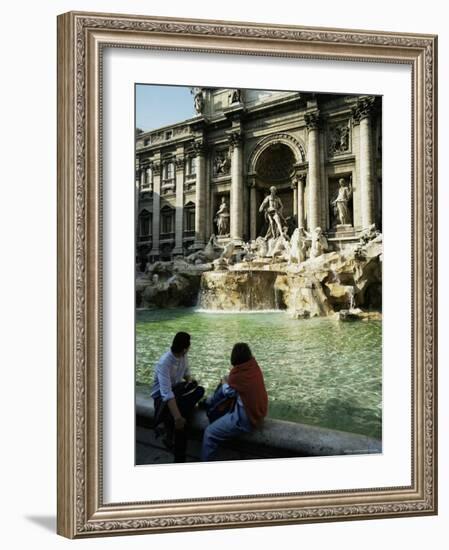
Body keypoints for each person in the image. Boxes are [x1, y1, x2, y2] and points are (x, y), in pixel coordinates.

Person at [201, 343, 268, 462]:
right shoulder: (253, 366)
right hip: (258, 413)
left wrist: (224, 382)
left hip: (245, 419)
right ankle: (209, 401)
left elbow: (229, 392)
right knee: (223, 388)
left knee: (209, 433)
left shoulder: (238, 374)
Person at [151, 332, 204, 462]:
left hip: (177, 391)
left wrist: (191, 381)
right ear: (185, 348)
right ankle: (179, 457)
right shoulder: (165, 363)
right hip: (162, 399)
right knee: (184, 417)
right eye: (189, 346)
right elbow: (166, 394)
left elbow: (186, 374)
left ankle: (169, 430)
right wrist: (178, 418)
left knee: (200, 389)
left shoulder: (183, 356)